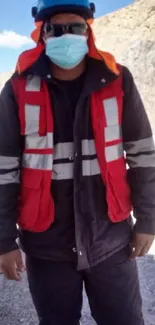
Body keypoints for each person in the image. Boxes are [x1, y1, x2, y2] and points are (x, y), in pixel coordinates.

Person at [0, 0, 155, 324]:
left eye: (76, 27)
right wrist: (3, 241)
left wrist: (148, 219)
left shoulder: (118, 80)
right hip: (46, 247)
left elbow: (142, 155)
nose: (67, 35)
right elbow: (3, 169)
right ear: (42, 34)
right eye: (57, 28)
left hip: (111, 242)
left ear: (89, 32)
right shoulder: (17, 88)